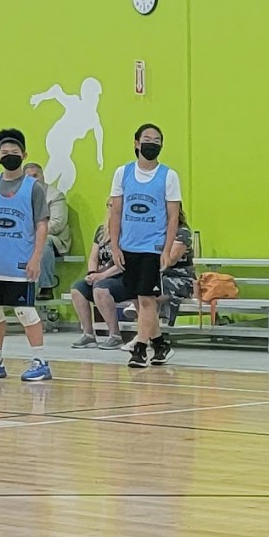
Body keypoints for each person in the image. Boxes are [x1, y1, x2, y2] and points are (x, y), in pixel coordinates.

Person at [0, 130, 52, 382]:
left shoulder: (33, 188)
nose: (10, 156)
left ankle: (40, 361)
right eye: (5, 153)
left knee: (25, 312)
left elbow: (42, 224)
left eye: (15, 153)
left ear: (24, 155)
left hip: (20, 264)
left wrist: (36, 257)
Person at [109, 123, 187, 369]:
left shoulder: (169, 176)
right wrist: (115, 246)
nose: (152, 143)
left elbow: (173, 216)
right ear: (136, 143)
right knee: (141, 299)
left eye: (157, 140)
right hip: (128, 245)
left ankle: (140, 348)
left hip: (152, 247)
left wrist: (165, 249)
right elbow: (116, 211)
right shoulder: (123, 173)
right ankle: (160, 344)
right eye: (147, 138)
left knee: (146, 299)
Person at [68, 223, 126, 349]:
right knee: (78, 289)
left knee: (100, 289)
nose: (111, 209)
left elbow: (125, 262)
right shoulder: (101, 230)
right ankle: (88, 334)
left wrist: (103, 275)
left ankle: (115, 335)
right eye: (109, 206)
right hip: (101, 276)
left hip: (121, 276)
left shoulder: (128, 230)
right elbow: (93, 257)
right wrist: (92, 273)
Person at [25, 161, 71, 291]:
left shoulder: (55, 196)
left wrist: (33, 235)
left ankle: (46, 287)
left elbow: (57, 224)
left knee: (43, 242)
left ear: (43, 176)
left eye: (36, 175)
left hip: (54, 240)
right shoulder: (20, 197)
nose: (33, 180)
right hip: (27, 238)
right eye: (29, 177)